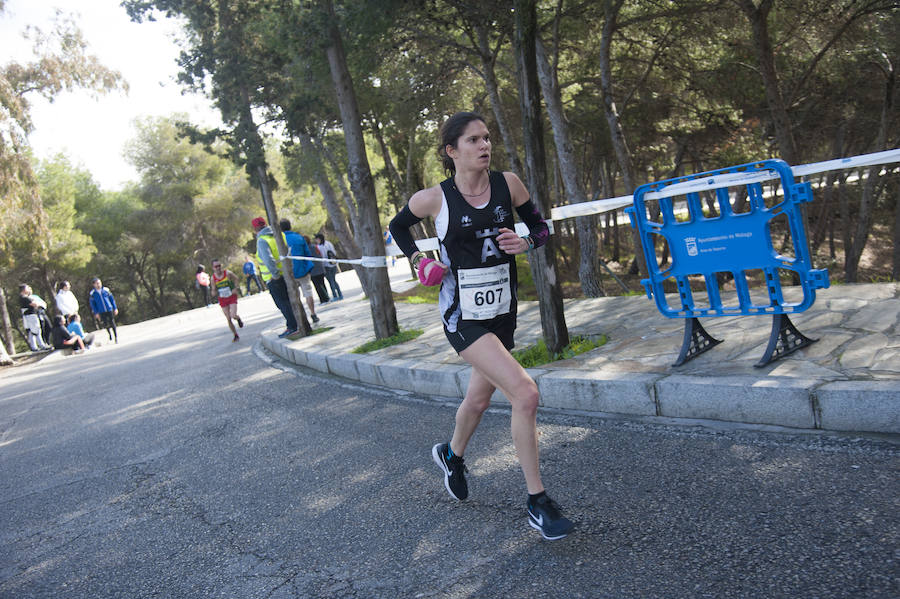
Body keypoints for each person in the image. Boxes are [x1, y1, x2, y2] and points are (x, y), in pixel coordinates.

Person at [388, 111, 572, 541]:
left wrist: (525, 242)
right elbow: (398, 227)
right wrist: (420, 260)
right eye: (473, 140)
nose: (484, 146)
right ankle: (537, 502)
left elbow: (542, 228)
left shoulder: (509, 184)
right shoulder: (434, 199)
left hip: (502, 312)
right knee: (525, 394)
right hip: (462, 316)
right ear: (452, 151)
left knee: (477, 400)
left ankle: (451, 455)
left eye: (487, 138)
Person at [253, 217, 297, 337]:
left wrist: (275, 275)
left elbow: (268, 260)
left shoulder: (262, 240)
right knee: (290, 301)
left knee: (282, 303)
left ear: (255, 228)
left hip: (274, 278)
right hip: (286, 274)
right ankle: (297, 323)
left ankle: (292, 326)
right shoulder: (279, 235)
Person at [281, 219, 320, 324]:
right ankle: (313, 313)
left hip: (289, 272)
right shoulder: (299, 237)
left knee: (294, 295)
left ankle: (301, 318)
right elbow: (307, 254)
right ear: (290, 226)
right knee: (308, 292)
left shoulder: (280, 240)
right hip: (303, 269)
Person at [210, 260, 244, 342]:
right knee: (228, 318)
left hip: (232, 296)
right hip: (222, 299)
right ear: (213, 268)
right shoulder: (213, 278)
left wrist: (236, 288)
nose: (218, 268)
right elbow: (213, 289)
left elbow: (236, 279)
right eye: (216, 266)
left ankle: (238, 318)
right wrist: (213, 292)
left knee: (233, 315)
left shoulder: (227, 273)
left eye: (219, 265)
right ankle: (235, 335)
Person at [18, 284, 52, 351]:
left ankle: (34, 346)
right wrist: (37, 304)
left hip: (30, 315)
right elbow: (35, 304)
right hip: (31, 315)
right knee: (36, 330)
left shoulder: (23, 297)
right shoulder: (25, 298)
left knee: (32, 331)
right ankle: (41, 345)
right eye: (27, 288)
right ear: (24, 290)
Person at [315, 233, 343, 301]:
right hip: (333, 264)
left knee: (331, 281)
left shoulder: (319, 247)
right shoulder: (329, 243)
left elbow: (321, 256)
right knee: (333, 280)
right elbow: (334, 252)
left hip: (326, 265)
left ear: (319, 239)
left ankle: (335, 295)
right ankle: (340, 294)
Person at [89, 278, 118, 343]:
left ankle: (116, 336)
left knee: (112, 322)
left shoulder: (106, 290)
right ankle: (109, 334)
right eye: (97, 283)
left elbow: (112, 299)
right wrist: (96, 313)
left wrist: (115, 308)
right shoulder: (92, 293)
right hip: (101, 311)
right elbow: (93, 304)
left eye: (99, 283)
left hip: (109, 308)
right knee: (105, 324)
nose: (98, 284)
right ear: (94, 285)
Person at [306, 236, 330, 305]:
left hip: (313, 270)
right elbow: (320, 255)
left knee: (317, 286)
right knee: (322, 283)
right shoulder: (315, 246)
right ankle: (327, 297)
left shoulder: (305, 249)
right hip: (320, 268)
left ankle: (323, 299)